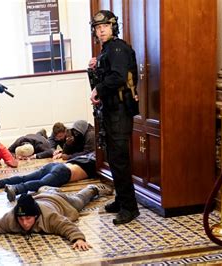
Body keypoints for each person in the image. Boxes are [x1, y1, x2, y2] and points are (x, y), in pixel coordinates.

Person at [88, 10, 140, 225]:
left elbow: (118, 77)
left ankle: (130, 208)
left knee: (119, 160)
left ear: (113, 27)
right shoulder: (106, 51)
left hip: (119, 112)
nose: (101, 31)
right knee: (114, 158)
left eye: (105, 27)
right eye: (98, 28)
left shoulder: (117, 48)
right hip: (110, 111)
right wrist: (93, 68)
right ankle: (121, 200)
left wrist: (98, 88)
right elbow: (106, 76)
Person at [0, 184, 113, 250]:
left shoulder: (50, 217)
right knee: (46, 190)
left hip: (59, 201)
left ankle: (93, 188)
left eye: (28, 218)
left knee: (79, 200)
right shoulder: (11, 218)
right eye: (21, 219)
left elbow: (66, 225)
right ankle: (45, 189)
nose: (24, 223)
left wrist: (78, 239)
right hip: (40, 198)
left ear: (36, 216)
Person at [0, 152, 96, 202]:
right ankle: (16, 189)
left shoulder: (86, 157)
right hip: (64, 172)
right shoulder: (97, 163)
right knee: (42, 183)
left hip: (55, 165)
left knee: (26, 177)